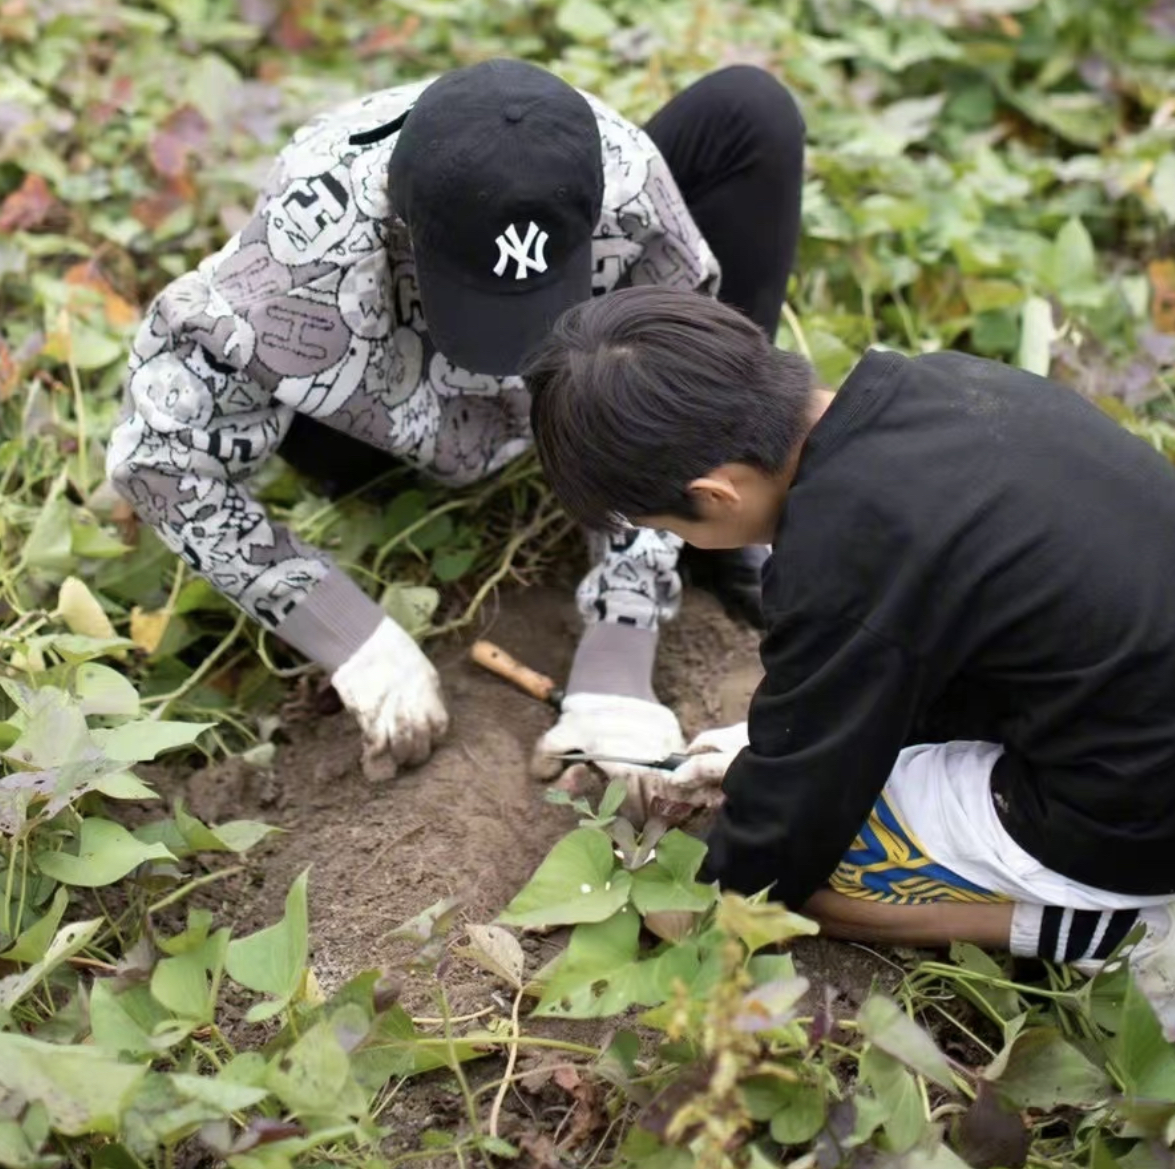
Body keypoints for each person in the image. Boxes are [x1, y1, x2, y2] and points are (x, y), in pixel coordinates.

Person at [107, 59, 804, 795]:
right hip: (377, 422)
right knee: (239, 390)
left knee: (745, 112)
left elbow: (674, 380)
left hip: (585, 396)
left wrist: (619, 647)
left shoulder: (626, 182)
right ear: (398, 231)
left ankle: (716, 521)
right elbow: (159, 455)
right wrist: (349, 634)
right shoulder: (303, 255)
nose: (510, 369)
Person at [522, 287, 1175, 1032]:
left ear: (715, 493)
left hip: (1135, 818)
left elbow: (790, 824)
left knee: (827, 867)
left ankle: (1096, 927)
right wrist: (763, 746)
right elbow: (931, 641)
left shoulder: (843, 553)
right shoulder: (941, 381)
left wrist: (707, 898)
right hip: (1132, 703)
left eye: (664, 525)